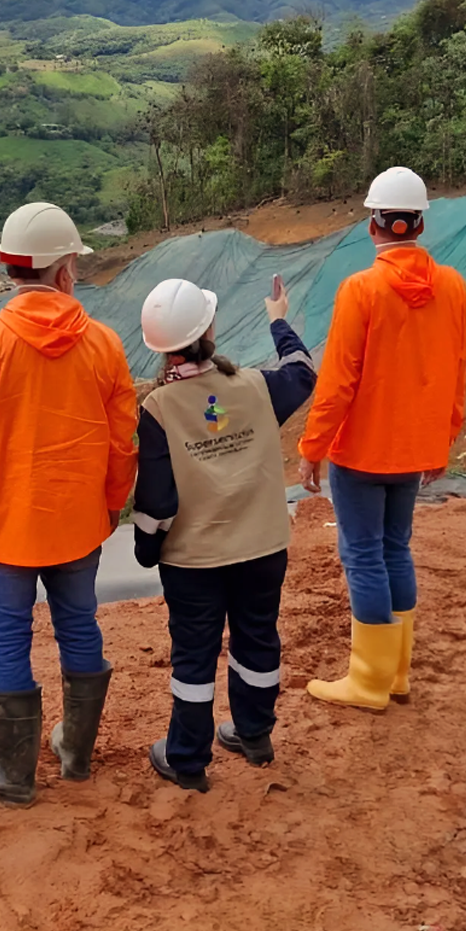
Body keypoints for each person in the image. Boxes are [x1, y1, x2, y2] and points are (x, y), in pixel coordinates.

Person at [0, 201, 138, 807]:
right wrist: (109, 506)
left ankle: (14, 776)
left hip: (1, 527)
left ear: (11, 269)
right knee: (80, 626)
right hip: (77, 522)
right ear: (66, 267)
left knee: (7, 639)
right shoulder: (103, 344)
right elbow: (121, 440)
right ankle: (74, 755)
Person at [132, 276, 316, 792]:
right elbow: (303, 372)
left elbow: (158, 502)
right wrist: (278, 319)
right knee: (257, 639)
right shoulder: (256, 387)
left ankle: (187, 761)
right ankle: (253, 735)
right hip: (262, 548)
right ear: (209, 327)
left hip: (194, 562)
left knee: (194, 657)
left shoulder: (158, 409)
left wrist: (147, 548)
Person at [297, 167, 466, 712]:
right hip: (416, 450)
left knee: (364, 555)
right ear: (418, 223)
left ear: (374, 225)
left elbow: (339, 379)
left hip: (363, 450)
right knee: (395, 548)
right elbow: (457, 368)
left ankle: (368, 683)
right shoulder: (454, 287)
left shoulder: (361, 289)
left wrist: (313, 447)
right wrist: (443, 439)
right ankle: (395, 675)